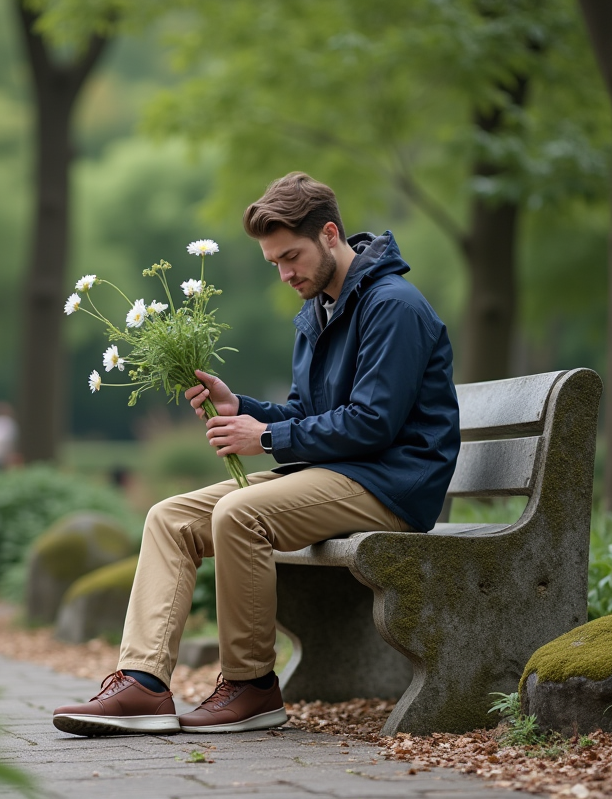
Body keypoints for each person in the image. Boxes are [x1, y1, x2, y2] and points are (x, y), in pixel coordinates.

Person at [52, 172, 461, 737]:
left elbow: (373, 423)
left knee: (240, 514)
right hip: (336, 472)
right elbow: (307, 411)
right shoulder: (318, 310)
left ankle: (251, 686)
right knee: (169, 518)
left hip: (391, 484)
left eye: (291, 256)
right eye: (275, 263)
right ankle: (143, 684)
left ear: (331, 234)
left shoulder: (394, 306)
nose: (286, 273)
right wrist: (241, 406)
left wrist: (262, 439)